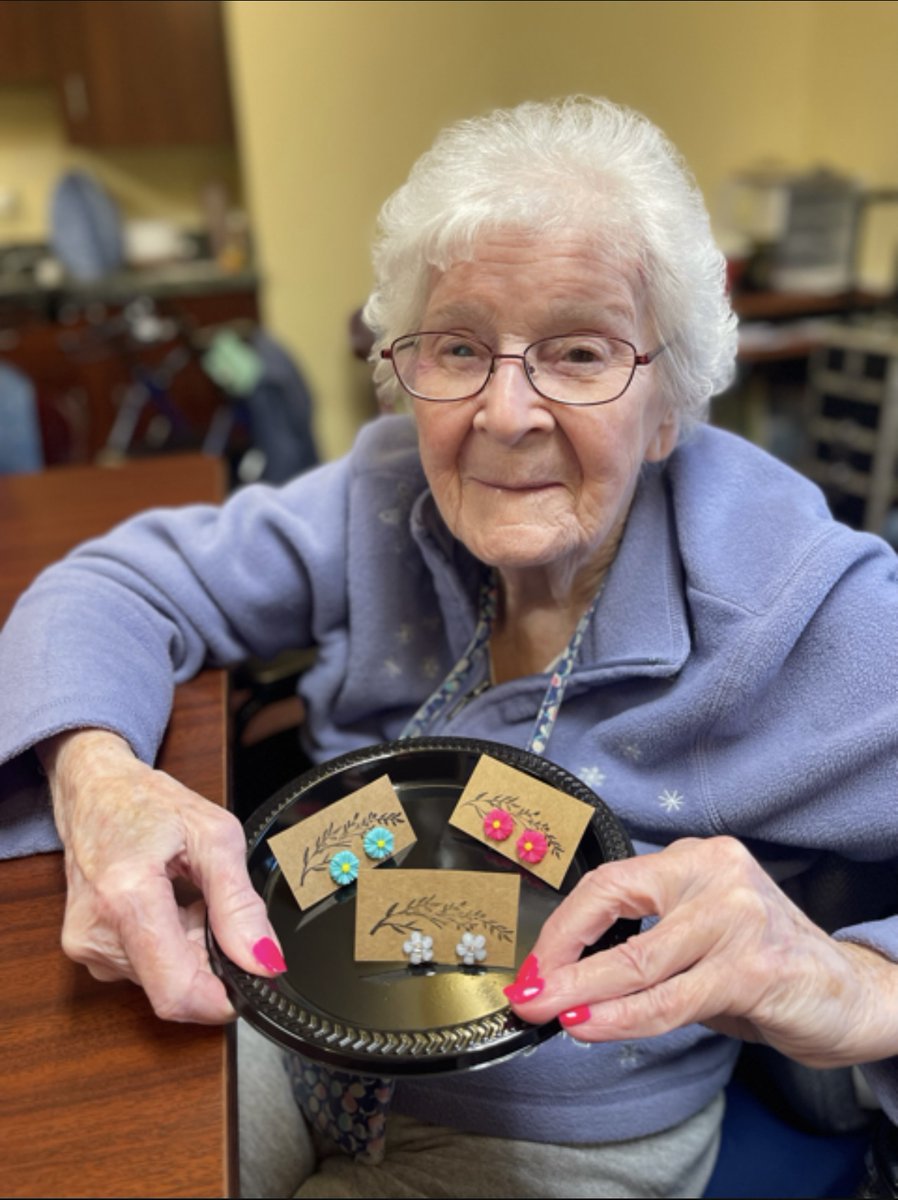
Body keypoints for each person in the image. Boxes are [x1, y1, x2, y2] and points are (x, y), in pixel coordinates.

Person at [2, 95, 898, 1198]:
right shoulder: (383, 494)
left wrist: (860, 984)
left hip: (549, 1133)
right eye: (459, 347)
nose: (504, 412)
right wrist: (100, 781)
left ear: (668, 398)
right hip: (293, 1019)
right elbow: (109, 583)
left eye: (577, 352)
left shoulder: (800, 602)